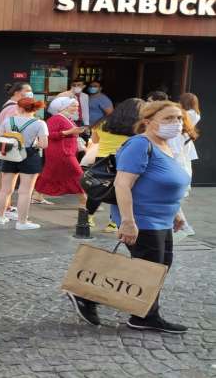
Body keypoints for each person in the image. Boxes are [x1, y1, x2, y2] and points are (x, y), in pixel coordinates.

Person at [67, 101, 190, 333]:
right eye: (169, 118)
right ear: (147, 121)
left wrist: (177, 212)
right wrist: (127, 221)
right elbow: (123, 184)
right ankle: (143, 316)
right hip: (143, 218)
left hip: (162, 217)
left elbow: (163, 183)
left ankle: (88, 295)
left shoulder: (164, 145)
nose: (176, 123)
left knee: (158, 267)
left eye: (179, 118)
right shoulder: (139, 145)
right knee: (149, 267)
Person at [85, 98, 144, 232]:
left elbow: (95, 140)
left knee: (97, 189)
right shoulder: (139, 126)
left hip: (102, 160)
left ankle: (87, 218)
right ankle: (113, 223)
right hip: (126, 160)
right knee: (123, 190)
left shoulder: (103, 122)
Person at [0, 97, 49, 230]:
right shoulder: (39, 123)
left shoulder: (8, 121)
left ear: (19, 108)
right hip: (29, 157)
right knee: (25, 192)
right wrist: (34, 143)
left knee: (5, 190)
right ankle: (22, 222)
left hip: (9, 156)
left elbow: (0, 139)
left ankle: (1, 217)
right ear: (35, 109)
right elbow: (44, 144)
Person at [35, 97, 88, 223]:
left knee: (49, 173)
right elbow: (49, 135)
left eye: (76, 106)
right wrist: (69, 131)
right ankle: (84, 201)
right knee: (77, 174)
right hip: (61, 152)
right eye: (73, 106)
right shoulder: (56, 118)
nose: (76, 108)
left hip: (65, 151)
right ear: (62, 106)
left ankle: (37, 195)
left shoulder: (67, 119)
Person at [0, 82, 37, 215]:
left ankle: (4, 209)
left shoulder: (8, 105)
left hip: (8, 147)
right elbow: (12, 130)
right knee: (8, 184)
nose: (31, 93)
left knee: (4, 179)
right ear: (18, 93)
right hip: (15, 149)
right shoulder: (14, 108)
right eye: (28, 90)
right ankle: (5, 208)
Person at [170, 93, 201, 236]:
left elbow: (174, 152)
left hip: (177, 163)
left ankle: (183, 225)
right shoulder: (195, 114)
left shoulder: (183, 119)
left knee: (172, 198)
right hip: (183, 160)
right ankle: (181, 224)